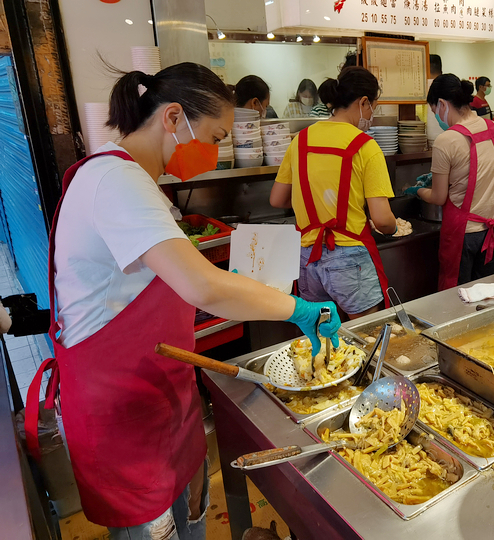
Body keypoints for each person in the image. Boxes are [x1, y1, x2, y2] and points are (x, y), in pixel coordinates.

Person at [23, 63, 341, 539]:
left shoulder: (136, 180)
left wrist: (238, 286)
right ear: (173, 118)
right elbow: (202, 286)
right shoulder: (116, 181)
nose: (214, 153)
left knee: (190, 515)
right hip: (123, 406)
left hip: (161, 387)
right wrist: (299, 310)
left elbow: (159, 282)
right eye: (214, 137)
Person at [270, 67, 397, 318]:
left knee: (321, 334)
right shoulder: (365, 146)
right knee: (366, 334)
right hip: (349, 259)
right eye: (373, 107)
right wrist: (393, 228)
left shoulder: (300, 140)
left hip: (307, 258)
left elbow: (277, 199)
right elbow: (382, 219)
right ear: (363, 102)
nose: (371, 115)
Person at [406, 74, 494, 289]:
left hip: (464, 236)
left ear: (442, 104)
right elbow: (482, 171)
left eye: (434, 111)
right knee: (487, 294)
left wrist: (417, 190)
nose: (437, 117)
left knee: (456, 298)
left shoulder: (446, 140)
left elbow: (438, 197)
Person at [425, 54, 445, 144]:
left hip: (425, 139)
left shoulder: (420, 87)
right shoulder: (447, 85)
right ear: (441, 71)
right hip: (448, 136)